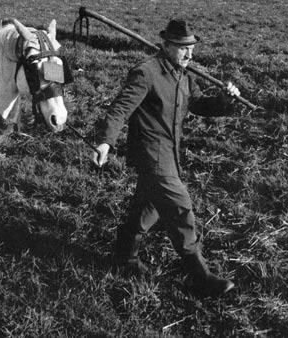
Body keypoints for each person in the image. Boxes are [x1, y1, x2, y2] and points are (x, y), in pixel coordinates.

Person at [93, 19, 241, 296]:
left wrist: (224, 99)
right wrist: (105, 141)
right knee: (179, 206)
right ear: (166, 45)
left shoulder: (185, 75)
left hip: (171, 154)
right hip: (150, 154)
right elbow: (119, 110)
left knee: (150, 205)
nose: (190, 55)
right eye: (183, 49)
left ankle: (125, 255)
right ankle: (200, 276)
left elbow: (199, 106)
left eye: (192, 48)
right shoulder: (146, 73)